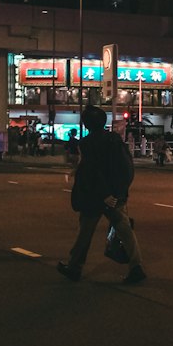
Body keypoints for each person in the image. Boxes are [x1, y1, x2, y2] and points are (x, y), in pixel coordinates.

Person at [57, 106, 145, 284]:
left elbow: (92, 171)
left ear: (87, 124)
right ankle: (136, 267)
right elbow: (127, 166)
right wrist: (119, 192)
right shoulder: (115, 140)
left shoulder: (87, 143)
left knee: (85, 232)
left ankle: (75, 267)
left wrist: (104, 194)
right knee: (125, 230)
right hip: (116, 194)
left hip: (96, 195)